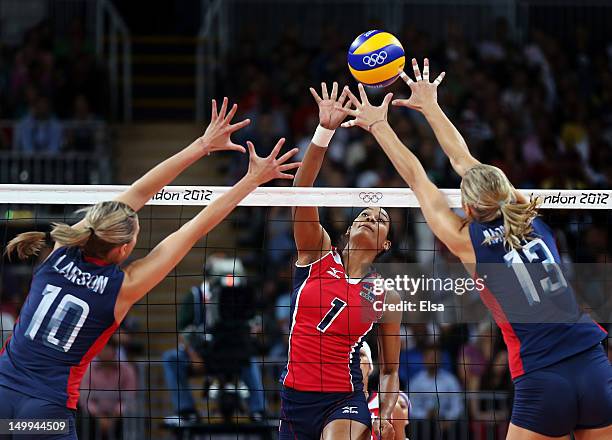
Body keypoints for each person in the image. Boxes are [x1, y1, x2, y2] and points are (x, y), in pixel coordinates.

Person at [339, 60, 612, 439]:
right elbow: (466, 161)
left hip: (543, 376)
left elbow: (418, 176)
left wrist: (378, 125)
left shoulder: (466, 240)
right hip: (594, 364)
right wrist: (431, 105)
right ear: (504, 191)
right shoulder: (527, 212)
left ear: (467, 209)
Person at [0, 97, 300, 438]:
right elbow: (195, 227)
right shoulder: (123, 287)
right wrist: (249, 181)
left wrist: (201, 145)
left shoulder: (60, 250)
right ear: (126, 247)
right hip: (45, 409)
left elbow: (139, 192)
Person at [279, 82, 401, 440]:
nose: (370, 216)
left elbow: (391, 371)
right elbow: (301, 192)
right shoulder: (316, 253)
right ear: (348, 227)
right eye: (365, 212)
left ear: (385, 244)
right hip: (294, 398)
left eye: (381, 219)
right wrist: (323, 132)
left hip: (343, 399)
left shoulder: (384, 296)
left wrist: (385, 411)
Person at [162, 256, 266, 424]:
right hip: (204, 354)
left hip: (234, 351)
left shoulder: (243, 294)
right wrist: (194, 355)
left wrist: (252, 332)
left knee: (249, 358)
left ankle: (258, 410)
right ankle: (187, 410)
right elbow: (184, 330)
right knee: (171, 358)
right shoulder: (196, 295)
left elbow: (254, 321)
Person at [79, 337, 137, 439]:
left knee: (129, 421)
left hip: (119, 416)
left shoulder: (127, 370)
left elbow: (129, 396)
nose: (104, 352)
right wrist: (99, 417)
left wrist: (115, 415)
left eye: (107, 348)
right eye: (102, 349)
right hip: (93, 416)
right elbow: (85, 398)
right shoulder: (88, 370)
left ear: (115, 351)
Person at [360, 342, 410, 440]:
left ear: (370, 367)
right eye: (351, 356)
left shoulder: (391, 408)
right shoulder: (332, 405)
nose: (355, 360)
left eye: (361, 354)